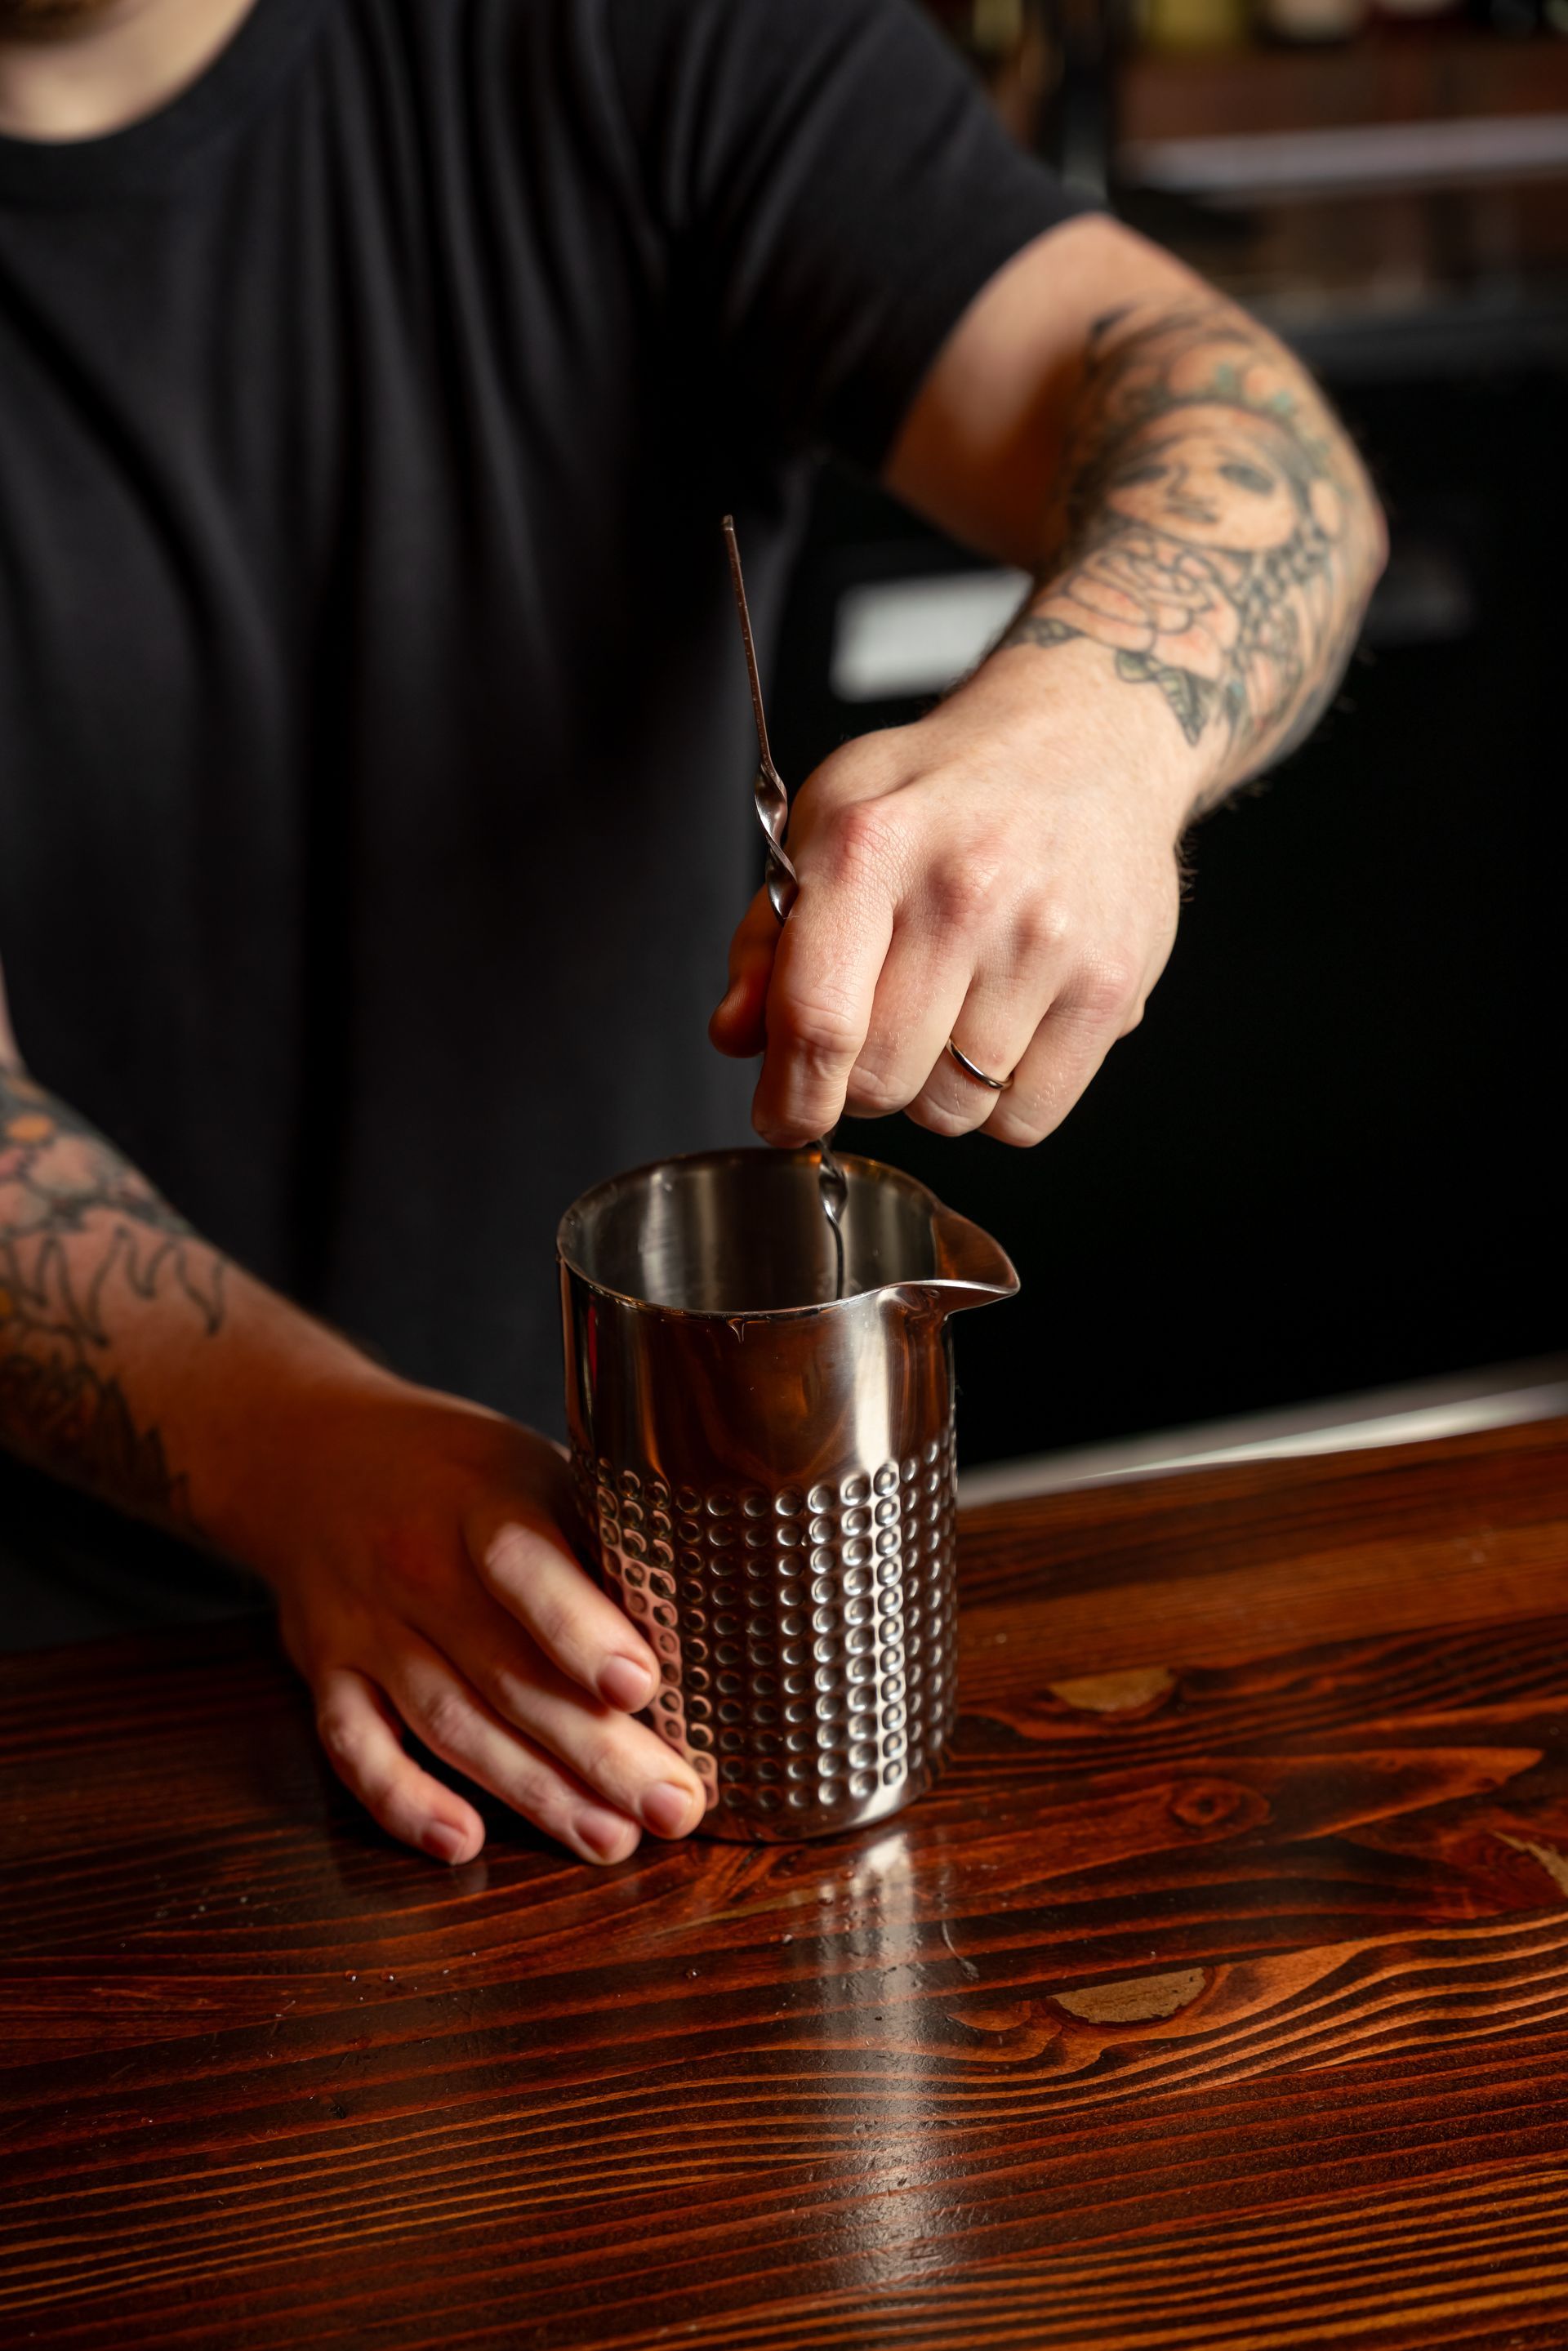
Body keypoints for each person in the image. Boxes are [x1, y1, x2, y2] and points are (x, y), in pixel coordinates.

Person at [0, 0, 1384, 1868]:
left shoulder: (642, 32)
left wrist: (1097, 723)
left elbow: (1242, 422)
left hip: (661, 1680)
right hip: (81, 1715)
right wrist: (301, 1463)